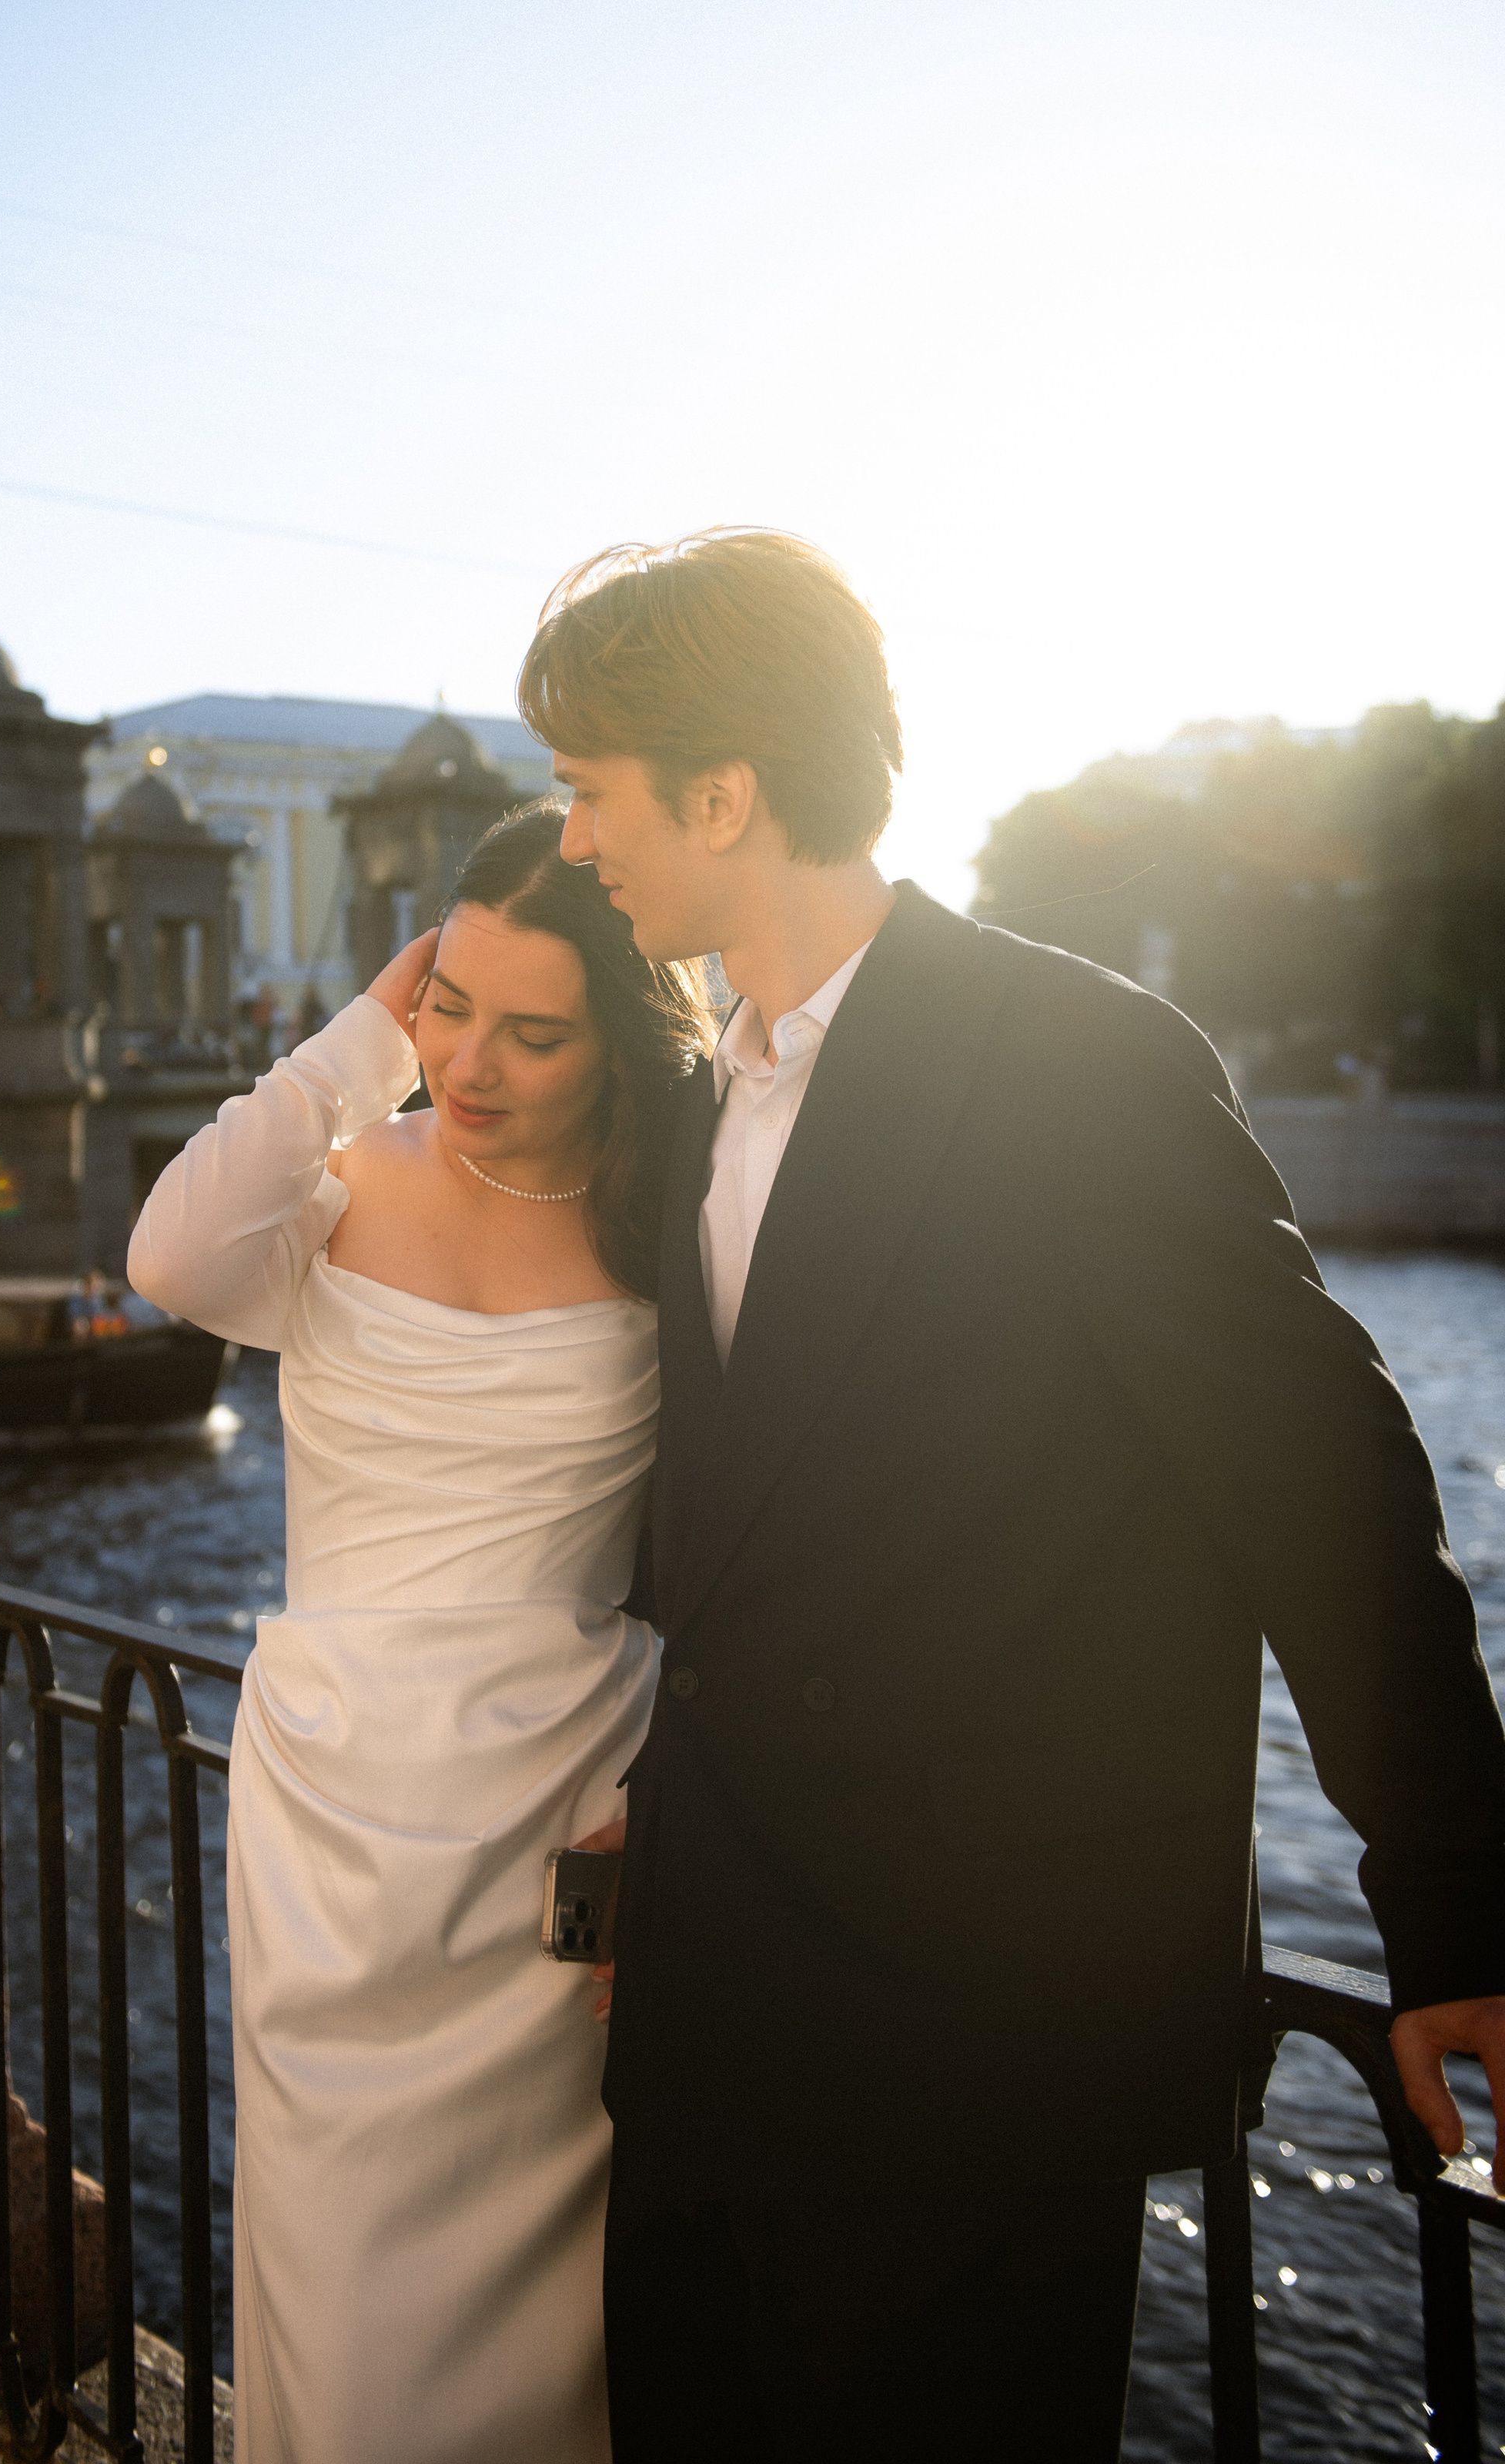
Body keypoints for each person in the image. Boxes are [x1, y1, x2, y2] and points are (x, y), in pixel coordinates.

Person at [518, 527, 1505, 2462]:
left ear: (724, 791)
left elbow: (1324, 1482)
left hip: (966, 2037)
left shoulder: (1076, 1059)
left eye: (591, 792)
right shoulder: (711, 1092)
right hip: (716, 2009)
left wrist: (1454, 1913)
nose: (572, 842)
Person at [126, 805, 714, 2464]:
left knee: (538, 2313)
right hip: (329, 1812)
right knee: (336, 2270)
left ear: (623, 1032)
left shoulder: (672, 1224)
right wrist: (358, 1042)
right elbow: (167, 1252)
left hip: (561, 1808)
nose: (473, 1062)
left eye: (533, 1031)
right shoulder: (333, 1187)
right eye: (451, 1004)